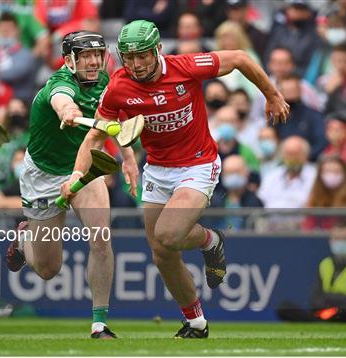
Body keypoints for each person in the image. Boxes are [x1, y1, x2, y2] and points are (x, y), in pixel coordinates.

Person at [62, 19, 289, 338]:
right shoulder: (118, 87)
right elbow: (96, 137)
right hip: (157, 168)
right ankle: (196, 322)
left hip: (198, 164)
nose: (136, 64)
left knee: (169, 234)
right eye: (129, 57)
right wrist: (76, 175)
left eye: (142, 55)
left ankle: (211, 240)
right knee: (161, 253)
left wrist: (272, 94)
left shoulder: (187, 66)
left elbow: (239, 57)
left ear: (157, 50)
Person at [4, 31, 135, 339]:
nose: (93, 61)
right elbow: (61, 101)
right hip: (44, 176)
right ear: (69, 60)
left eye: (97, 55)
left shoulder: (108, 83)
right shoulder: (58, 84)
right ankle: (25, 241)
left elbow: (118, 122)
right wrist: (70, 112)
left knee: (101, 238)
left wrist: (128, 157)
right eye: (85, 56)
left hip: (85, 168)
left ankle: (99, 323)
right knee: (48, 270)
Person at [277, 221, 346, 325]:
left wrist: (328, 297)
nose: (341, 243)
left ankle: (318, 324)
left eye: (345, 239)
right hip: (327, 314)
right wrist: (339, 298)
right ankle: (321, 324)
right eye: (337, 239)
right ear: (331, 241)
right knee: (284, 307)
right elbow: (314, 300)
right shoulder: (325, 264)